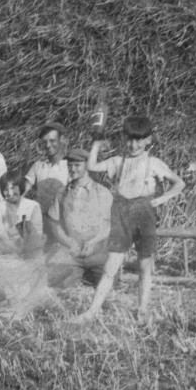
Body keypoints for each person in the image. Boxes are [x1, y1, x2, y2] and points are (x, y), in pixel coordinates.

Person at [73, 116, 185, 322]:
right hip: (121, 213)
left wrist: (160, 200)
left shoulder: (154, 163)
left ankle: (142, 311)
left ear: (148, 140)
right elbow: (92, 166)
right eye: (130, 139)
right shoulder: (118, 161)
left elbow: (179, 183)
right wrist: (96, 142)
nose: (134, 145)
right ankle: (91, 312)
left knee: (144, 266)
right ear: (124, 138)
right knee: (110, 267)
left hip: (144, 215)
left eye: (139, 140)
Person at [45, 148, 112, 288]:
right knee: (61, 287)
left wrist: (94, 242)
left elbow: (109, 224)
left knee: (108, 287)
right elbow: (54, 224)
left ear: (87, 165)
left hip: (97, 255)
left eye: (77, 165)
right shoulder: (61, 193)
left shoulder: (102, 192)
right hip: (71, 255)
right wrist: (69, 242)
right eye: (69, 165)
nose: (72, 169)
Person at [23, 122, 69, 245]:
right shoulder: (38, 166)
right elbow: (22, 191)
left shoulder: (71, 167)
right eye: (45, 142)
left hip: (63, 227)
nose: (48, 145)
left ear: (63, 139)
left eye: (52, 141)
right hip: (40, 227)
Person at [0, 172, 44, 259]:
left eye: (13, 188)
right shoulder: (0, 207)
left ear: (20, 187)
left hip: (31, 250)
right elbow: (1, 234)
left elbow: (37, 234)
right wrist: (14, 249)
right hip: (9, 251)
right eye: (5, 189)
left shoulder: (33, 206)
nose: (9, 193)